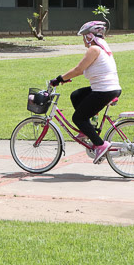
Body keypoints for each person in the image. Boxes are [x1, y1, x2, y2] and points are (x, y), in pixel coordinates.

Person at [50, 21, 121, 164]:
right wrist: (66, 79)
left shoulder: (93, 49)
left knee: (78, 118)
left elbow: (79, 69)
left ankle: (100, 145)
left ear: (90, 36)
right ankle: (87, 130)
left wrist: (58, 79)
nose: (83, 39)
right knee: (76, 95)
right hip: (109, 89)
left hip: (104, 91)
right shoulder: (103, 47)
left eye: (84, 36)